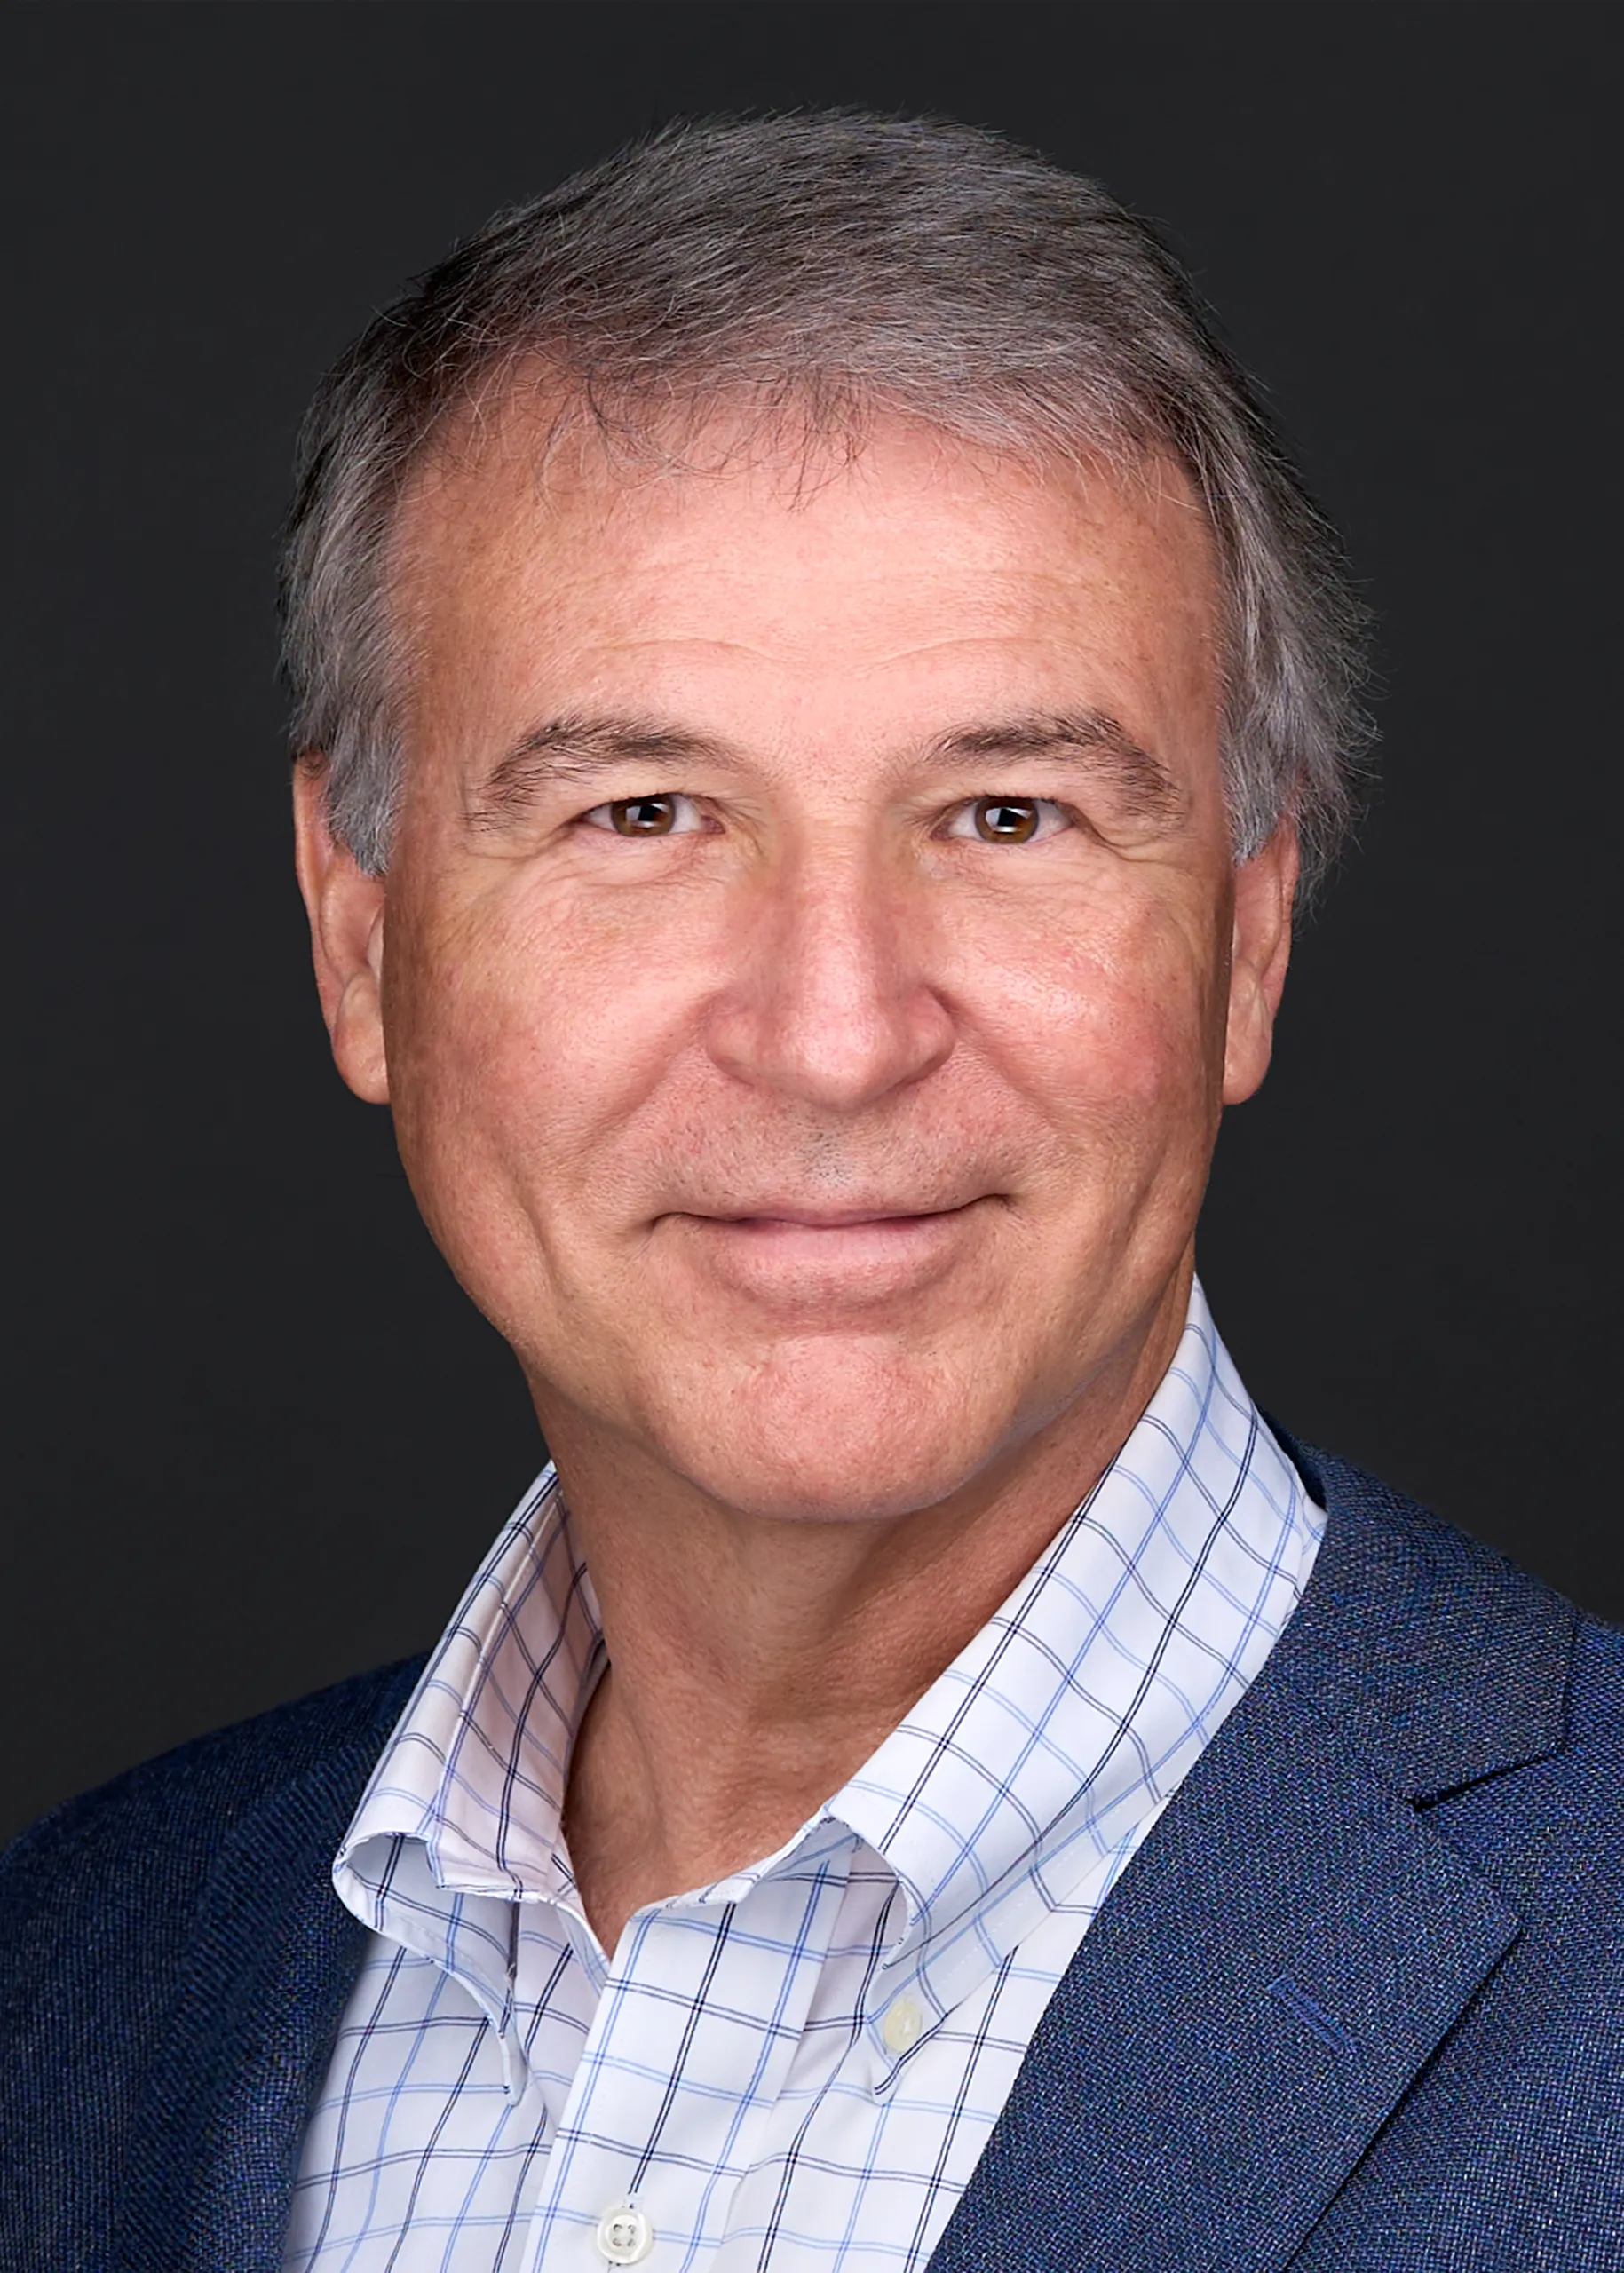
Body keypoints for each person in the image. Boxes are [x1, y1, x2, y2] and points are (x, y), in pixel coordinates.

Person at [3, 109, 1620, 2273]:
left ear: (1245, 937)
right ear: (360, 930)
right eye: (644, 811)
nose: (835, 1030)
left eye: (1009, 814)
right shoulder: (74, 1982)